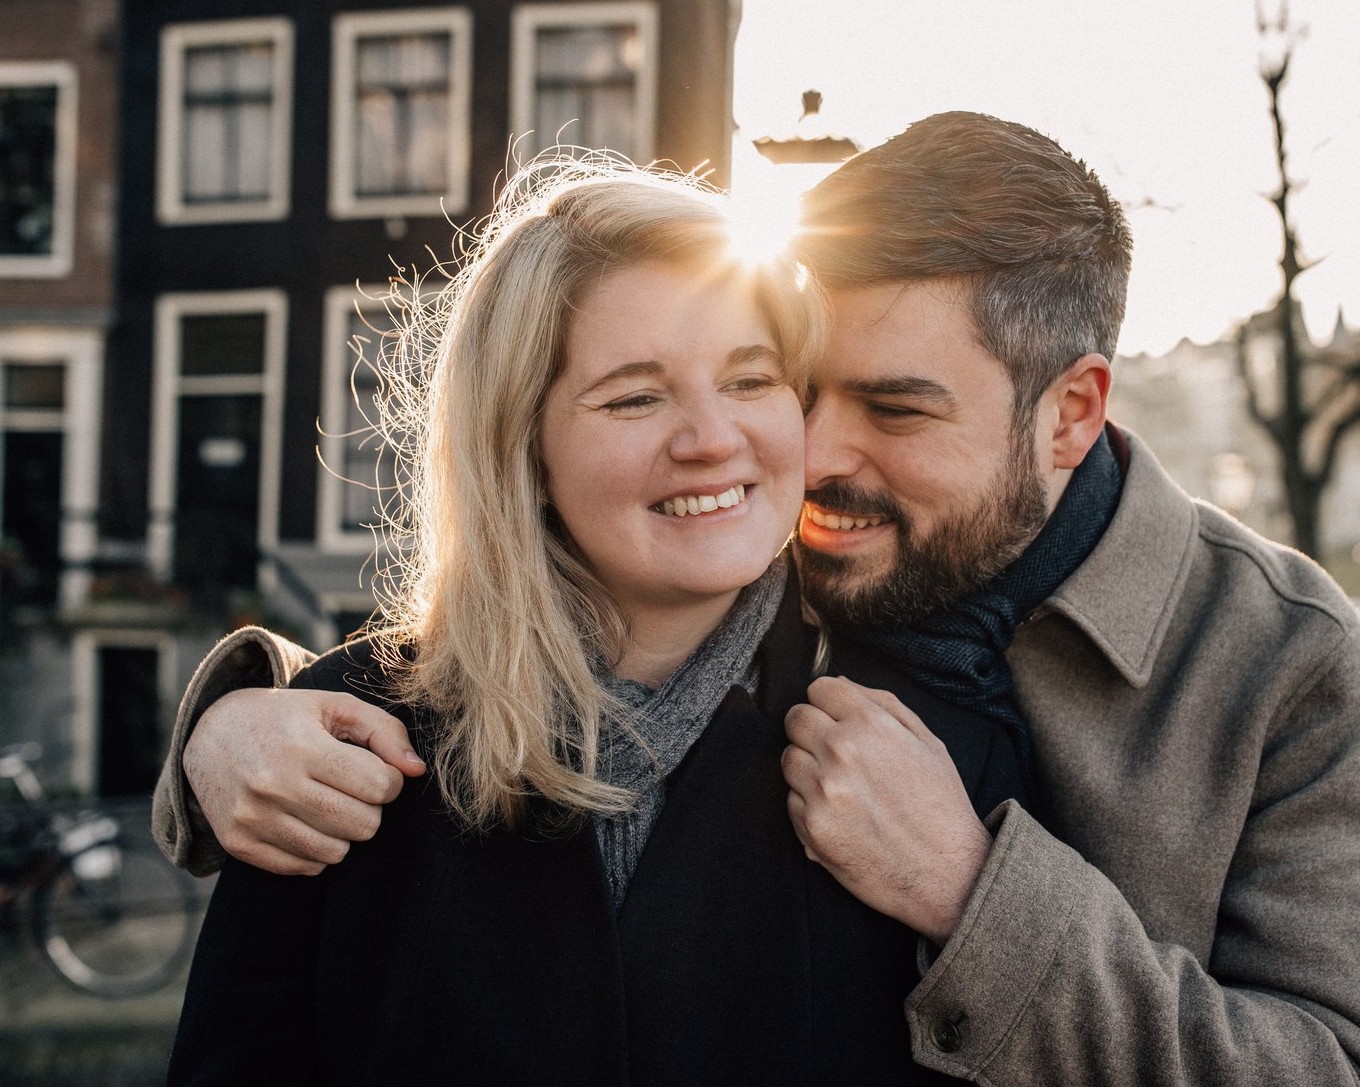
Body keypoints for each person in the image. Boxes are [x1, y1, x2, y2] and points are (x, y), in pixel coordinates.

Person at [158, 113, 1360, 1086]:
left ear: (1072, 414)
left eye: (895, 407)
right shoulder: (805, 543)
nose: (802, 450)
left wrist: (976, 892)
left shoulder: (1274, 659)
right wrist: (227, 722)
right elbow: (523, 625)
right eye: (805, 384)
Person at [165, 164, 1031, 1085]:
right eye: (634, 397)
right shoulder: (334, 743)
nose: (710, 438)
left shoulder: (934, 747)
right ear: (522, 447)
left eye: (750, 380)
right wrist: (217, 729)